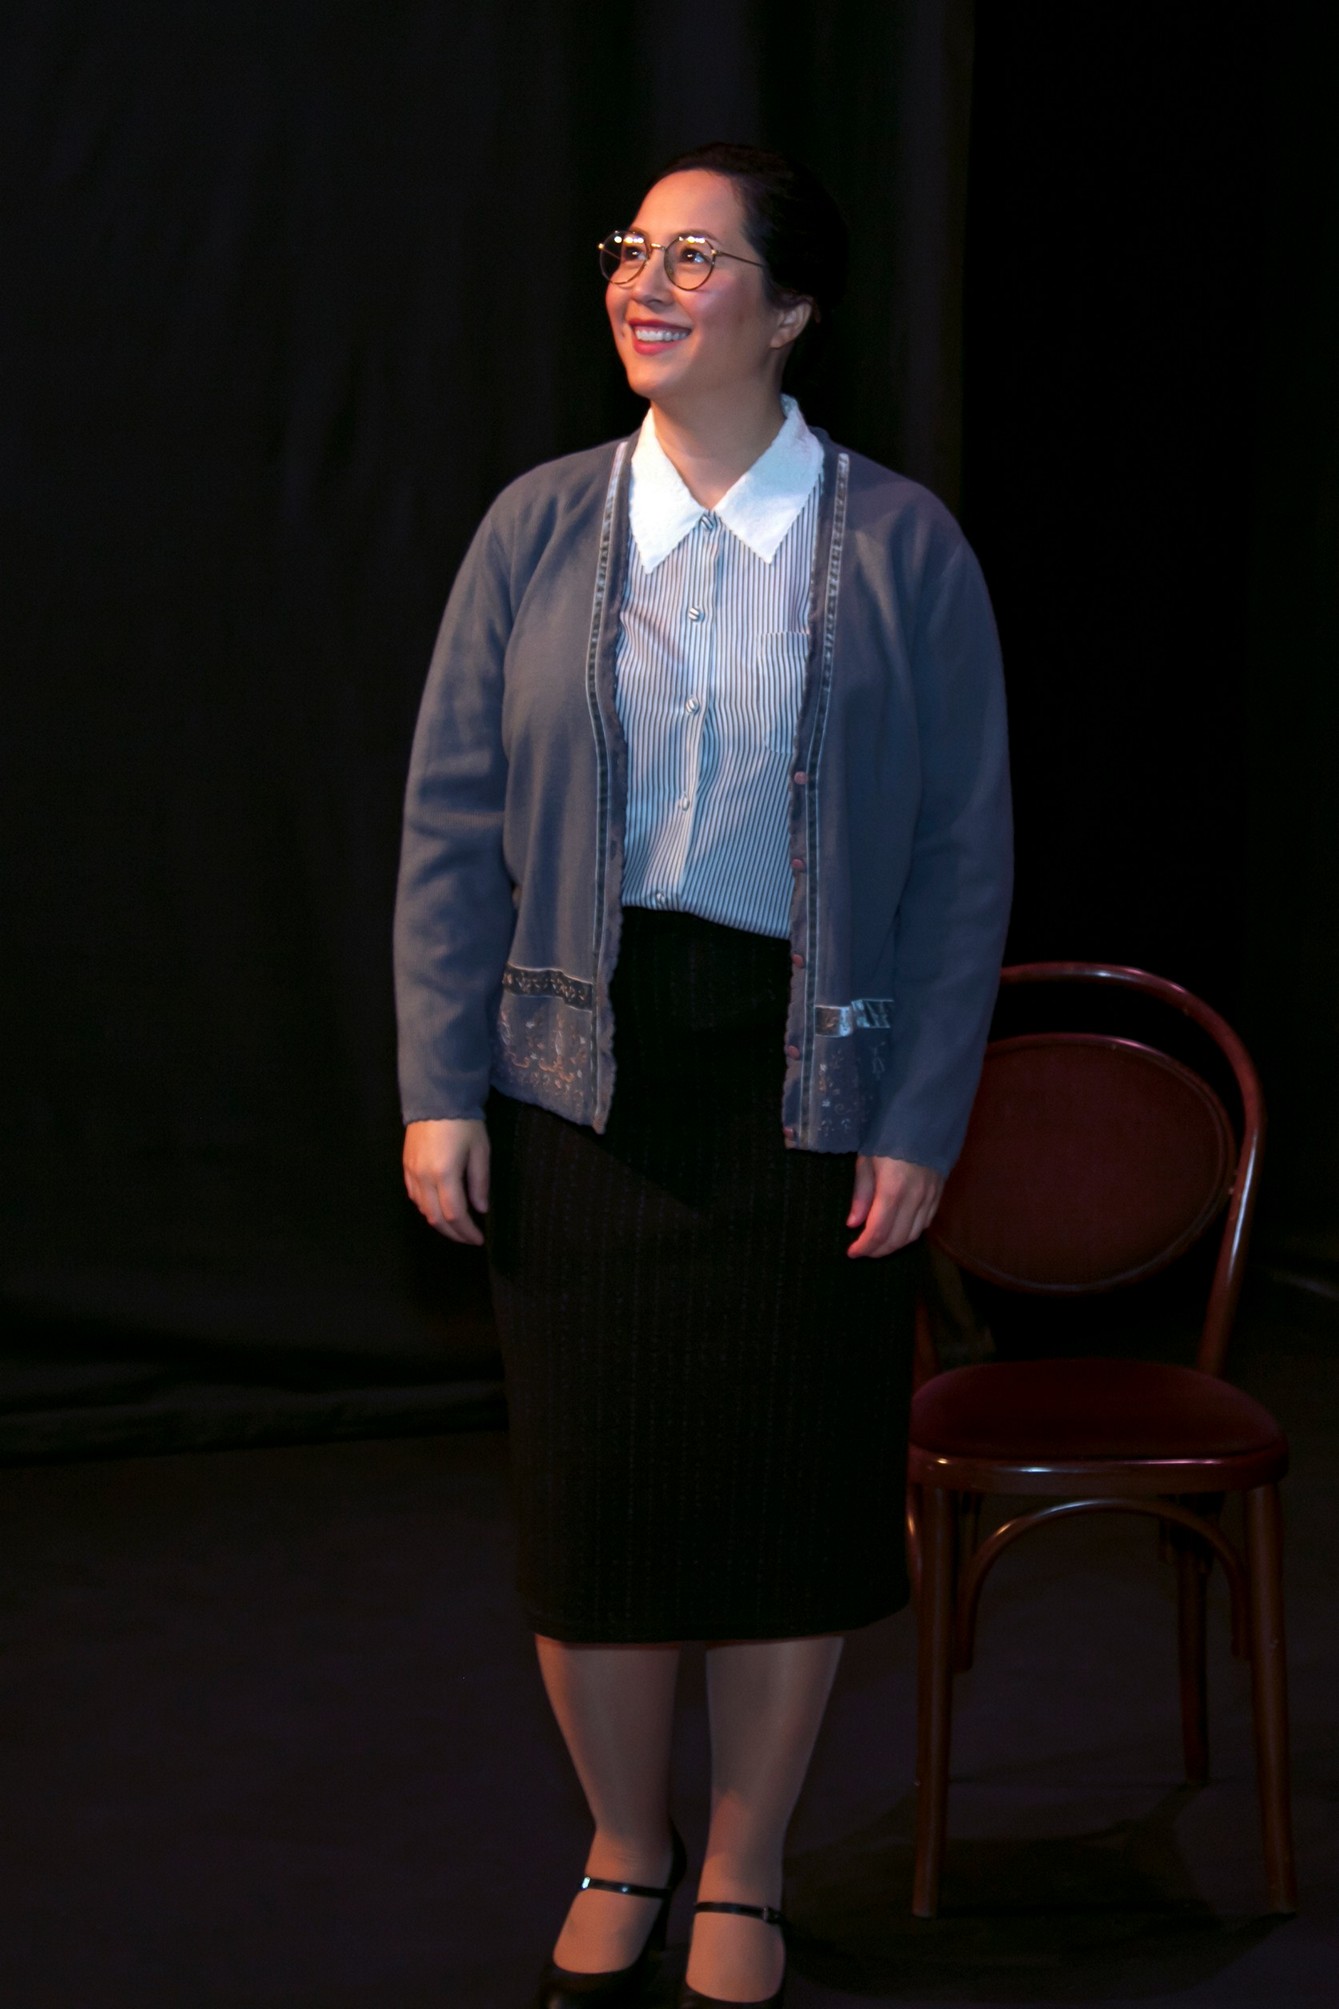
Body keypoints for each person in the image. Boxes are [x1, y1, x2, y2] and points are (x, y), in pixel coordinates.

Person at [395, 143, 1011, 2009]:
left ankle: (743, 1862)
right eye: (632, 252)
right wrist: (437, 1081)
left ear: (792, 307)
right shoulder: (537, 527)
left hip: (811, 1080)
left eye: (694, 258)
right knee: (595, 1504)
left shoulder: (902, 546)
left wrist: (921, 1117)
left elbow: (960, 860)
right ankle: (625, 1841)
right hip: (577, 1073)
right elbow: (451, 822)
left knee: (781, 1504)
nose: (644, 286)